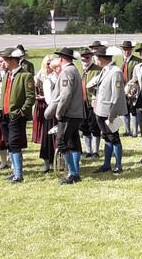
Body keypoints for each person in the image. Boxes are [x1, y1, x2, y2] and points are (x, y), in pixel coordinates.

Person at [0, 47, 36, 183]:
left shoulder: (25, 76)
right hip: (5, 114)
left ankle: (19, 174)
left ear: (13, 60)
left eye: (5, 59)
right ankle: (14, 171)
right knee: (9, 144)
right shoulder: (6, 76)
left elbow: (30, 97)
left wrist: (21, 112)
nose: (3, 62)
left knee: (15, 144)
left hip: (16, 116)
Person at [51, 48, 85, 184]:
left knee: (62, 142)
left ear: (61, 59)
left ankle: (73, 173)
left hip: (69, 113)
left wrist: (59, 112)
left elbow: (65, 95)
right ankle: (75, 172)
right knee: (73, 143)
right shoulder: (74, 69)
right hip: (76, 113)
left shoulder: (66, 71)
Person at [92, 46, 127, 174]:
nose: (96, 60)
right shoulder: (105, 69)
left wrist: (113, 113)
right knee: (106, 137)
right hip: (101, 110)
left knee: (114, 138)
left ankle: (118, 165)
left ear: (102, 58)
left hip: (109, 111)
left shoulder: (115, 71)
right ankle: (106, 164)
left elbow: (117, 95)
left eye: (97, 58)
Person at [80, 47, 102, 158]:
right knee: (84, 128)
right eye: (83, 58)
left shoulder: (98, 70)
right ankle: (88, 151)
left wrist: (94, 98)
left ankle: (95, 151)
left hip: (94, 104)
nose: (85, 59)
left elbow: (100, 87)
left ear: (91, 57)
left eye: (87, 57)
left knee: (94, 127)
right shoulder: (80, 70)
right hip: (82, 103)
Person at [39, 58, 61, 172]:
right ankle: (47, 163)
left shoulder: (62, 78)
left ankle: (60, 162)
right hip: (52, 112)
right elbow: (49, 99)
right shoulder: (49, 80)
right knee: (49, 138)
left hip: (62, 111)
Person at [120, 41, 141, 137]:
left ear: (131, 50)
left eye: (128, 49)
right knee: (125, 111)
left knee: (133, 110)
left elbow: (138, 77)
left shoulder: (137, 61)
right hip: (123, 90)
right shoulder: (122, 61)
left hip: (133, 90)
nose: (126, 51)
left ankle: (135, 131)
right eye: (125, 49)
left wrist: (132, 90)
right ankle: (127, 130)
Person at [32, 55, 53, 146]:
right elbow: (34, 88)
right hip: (41, 102)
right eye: (48, 63)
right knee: (41, 120)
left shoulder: (55, 73)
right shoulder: (40, 75)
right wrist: (36, 96)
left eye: (51, 63)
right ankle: (40, 137)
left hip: (50, 101)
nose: (49, 65)